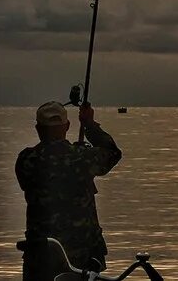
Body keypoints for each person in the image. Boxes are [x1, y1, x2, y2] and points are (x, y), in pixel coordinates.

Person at [16, 101, 122, 281]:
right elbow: (112, 152)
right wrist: (89, 124)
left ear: (38, 128)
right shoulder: (82, 158)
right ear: (67, 126)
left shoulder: (26, 160)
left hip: (39, 256)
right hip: (80, 259)